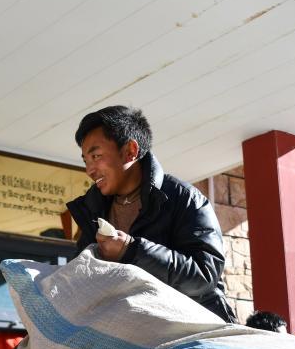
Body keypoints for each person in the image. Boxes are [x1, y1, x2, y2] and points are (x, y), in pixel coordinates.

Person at [66, 105, 237, 322]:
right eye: (86, 161)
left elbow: (204, 276)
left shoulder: (185, 198)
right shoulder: (92, 208)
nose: (89, 170)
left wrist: (132, 250)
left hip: (194, 331)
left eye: (96, 156)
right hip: (129, 331)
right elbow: (79, 281)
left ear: (130, 150)